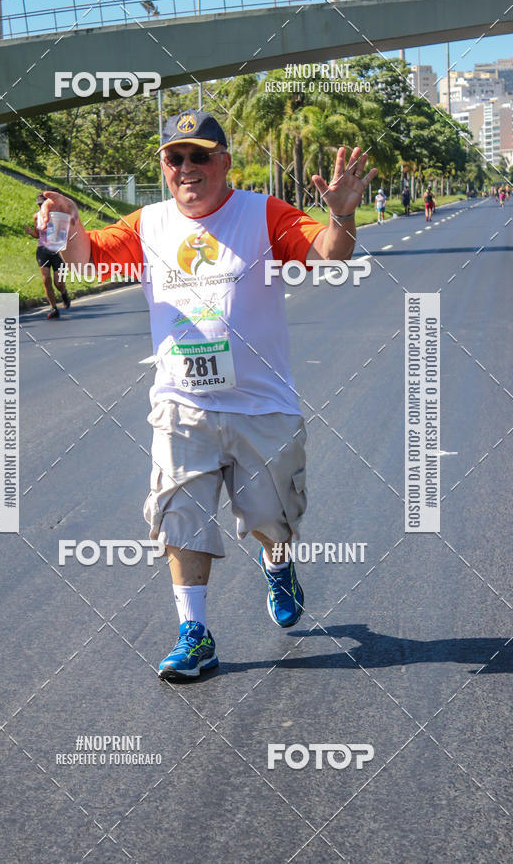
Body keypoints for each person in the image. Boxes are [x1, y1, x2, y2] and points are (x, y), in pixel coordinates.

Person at [39, 109, 376, 680]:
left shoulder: (261, 213)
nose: (187, 168)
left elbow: (327, 253)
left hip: (262, 404)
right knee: (178, 513)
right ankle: (194, 634)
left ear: (224, 162)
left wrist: (340, 215)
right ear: (164, 167)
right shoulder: (147, 223)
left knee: (272, 518)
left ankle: (278, 562)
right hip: (182, 403)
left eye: (200, 156)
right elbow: (86, 258)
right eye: (176, 158)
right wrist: (66, 228)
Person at [24, 191, 71, 319]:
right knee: (46, 280)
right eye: (39, 205)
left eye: (43, 204)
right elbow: (37, 235)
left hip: (57, 251)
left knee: (58, 282)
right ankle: (53, 308)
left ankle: (63, 293)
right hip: (42, 250)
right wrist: (30, 232)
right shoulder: (36, 216)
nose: (41, 207)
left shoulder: (58, 216)